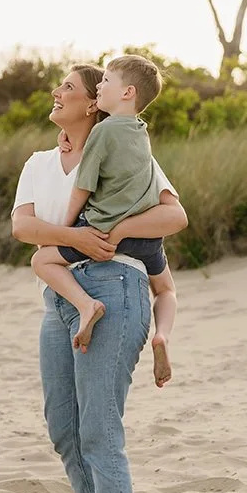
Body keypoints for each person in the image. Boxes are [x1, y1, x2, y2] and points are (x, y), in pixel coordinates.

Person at [11, 64, 186, 493]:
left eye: (67, 87)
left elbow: (174, 216)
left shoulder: (126, 152)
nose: (55, 92)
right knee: (63, 424)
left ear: (94, 102)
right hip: (59, 297)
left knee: (99, 426)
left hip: (115, 283)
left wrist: (106, 231)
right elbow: (23, 226)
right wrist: (75, 239)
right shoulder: (40, 162)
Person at [29, 54, 165, 352]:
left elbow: (83, 187)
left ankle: (86, 305)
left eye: (106, 81)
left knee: (41, 259)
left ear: (126, 92)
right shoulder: (140, 133)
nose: (57, 93)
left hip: (101, 232)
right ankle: (163, 333)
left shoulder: (102, 133)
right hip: (146, 244)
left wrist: (67, 228)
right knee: (166, 290)